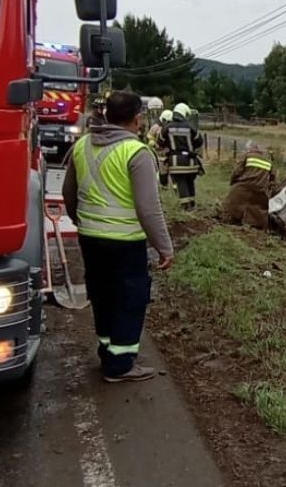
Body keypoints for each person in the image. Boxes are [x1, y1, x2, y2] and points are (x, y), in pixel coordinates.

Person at [62, 91, 174, 383]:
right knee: (129, 299)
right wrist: (165, 247)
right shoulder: (136, 152)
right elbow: (148, 208)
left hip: (89, 237)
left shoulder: (82, 144)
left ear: (107, 114)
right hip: (125, 242)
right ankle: (120, 365)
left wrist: (80, 220)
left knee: (102, 295)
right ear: (137, 119)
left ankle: (107, 352)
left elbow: (68, 193)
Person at [222, 141, 275, 229]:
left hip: (244, 185)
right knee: (258, 208)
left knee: (232, 203)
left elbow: (237, 171)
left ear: (251, 148)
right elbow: (272, 179)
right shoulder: (269, 162)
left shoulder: (247, 156)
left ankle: (232, 219)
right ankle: (256, 226)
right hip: (260, 189)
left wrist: (233, 182)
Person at [163, 103, 204, 210]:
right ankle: (192, 204)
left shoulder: (167, 127)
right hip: (191, 161)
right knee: (190, 181)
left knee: (181, 182)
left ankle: (185, 206)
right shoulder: (191, 127)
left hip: (176, 161)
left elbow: (160, 141)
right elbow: (199, 142)